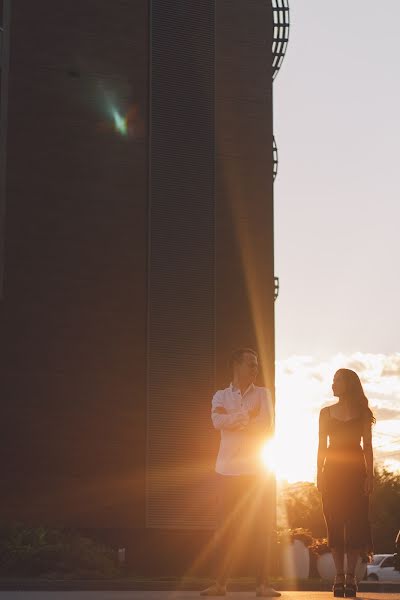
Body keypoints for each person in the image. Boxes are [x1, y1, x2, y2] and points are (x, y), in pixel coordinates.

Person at [201, 348, 280, 597]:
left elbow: (266, 426)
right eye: (251, 365)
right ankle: (220, 584)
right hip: (226, 471)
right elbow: (216, 422)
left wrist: (234, 420)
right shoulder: (220, 396)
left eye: (256, 365)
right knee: (225, 529)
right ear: (237, 365)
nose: (256, 369)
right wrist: (246, 418)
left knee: (260, 528)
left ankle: (262, 585)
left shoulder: (264, 395)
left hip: (257, 473)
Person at [317, 369, 375, 598]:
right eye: (332, 379)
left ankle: (351, 577)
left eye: (336, 380)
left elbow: (368, 446)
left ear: (348, 384)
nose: (332, 384)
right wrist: (318, 472)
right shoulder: (325, 413)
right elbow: (321, 445)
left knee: (355, 522)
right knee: (334, 520)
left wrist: (370, 476)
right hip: (331, 470)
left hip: (355, 472)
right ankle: (338, 576)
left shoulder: (362, 412)